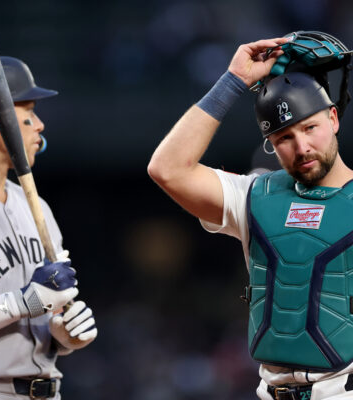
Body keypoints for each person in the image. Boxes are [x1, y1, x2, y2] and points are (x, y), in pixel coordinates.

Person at [148, 31, 353, 400]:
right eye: (284, 137)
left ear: (334, 118)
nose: (302, 146)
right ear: (270, 144)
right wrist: (233, 82)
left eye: (310, 127)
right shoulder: (255, 196)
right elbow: (168, 169)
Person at [0, 56, 97, 399]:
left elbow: (43, 308)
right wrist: (21, 303)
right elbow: (26, 302)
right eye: (29, 112)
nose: (40, 125)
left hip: (47, 389)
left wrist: (61, 335)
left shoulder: (34, 206)